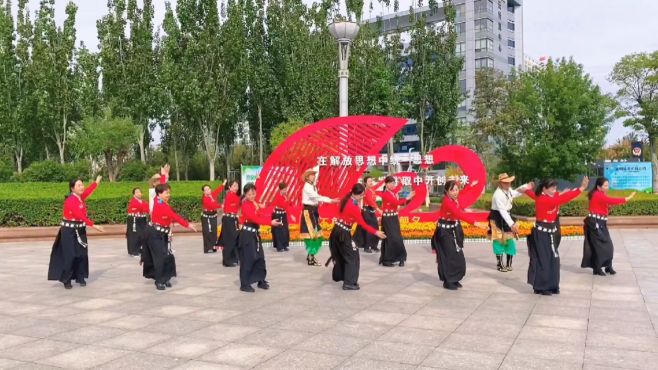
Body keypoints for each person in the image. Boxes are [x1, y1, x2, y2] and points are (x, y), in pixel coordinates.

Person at [525, 177, 588, 295]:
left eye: (555, 186)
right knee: (544, 260)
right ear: (544, 188)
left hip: (550, 232)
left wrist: (527, 188)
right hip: (541, 233)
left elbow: (559, 195)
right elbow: (562, 198)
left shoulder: (549, 196)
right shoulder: (543, 199)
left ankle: (552, 285)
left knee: (554, 259)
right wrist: (581, 189)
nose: (555, 189)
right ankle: (541, 287)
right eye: (552, 187)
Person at [327, 183, 387, 290]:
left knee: (347, 255)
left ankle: (346, 279)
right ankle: (349, 283)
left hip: (338, 231)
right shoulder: (352, 206)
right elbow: (363, 224)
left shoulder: (347, 199)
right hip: (343, 233)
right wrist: (376, 232)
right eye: (362, 195)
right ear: (356, 194)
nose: (363, 197)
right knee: (352, 256)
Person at [48, 176, 105, 289]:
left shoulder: (80, 197)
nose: (82, 187)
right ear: (72, 188)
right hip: (69, 231)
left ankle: (80, 276)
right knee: (70, 255)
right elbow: (79, 215)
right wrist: (94, 225)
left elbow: (88, 191)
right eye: (78, 185)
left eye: (82, 184)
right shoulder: (70, 200)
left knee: (82, 254)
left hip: (80, 229)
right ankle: (66, 279)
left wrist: (96, 182)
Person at [142, 179, 197, 290]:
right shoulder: (160, 204)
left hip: (163, 234)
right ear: (160, 194)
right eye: (166, 193)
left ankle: (165, 278)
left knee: (166, 256)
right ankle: (159, 281)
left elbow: (159, 187)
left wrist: (163, 177)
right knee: (159, 258)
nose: (169, 195)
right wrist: (187, 225)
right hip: (155, 234)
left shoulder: (158, 200)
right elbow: (174, 215)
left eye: (169, 192)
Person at [432, 180, 487, 290]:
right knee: (449, 256)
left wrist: (471, 185)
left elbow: (464, 192)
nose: (455, 192)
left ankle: (455, 278)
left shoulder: (455, 199)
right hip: (444, 233)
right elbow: (459, 214)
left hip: (453, 230)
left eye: (456, 190)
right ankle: (448, 281)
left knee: (458, 256)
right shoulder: (447, 202)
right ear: (447, 191)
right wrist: (475, 223)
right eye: (452, 190)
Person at [582, 177, 635, 276]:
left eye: (607, 185)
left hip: (601, 223)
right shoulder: (598, 194)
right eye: (605, 185)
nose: (607, 187)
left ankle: (608, 266)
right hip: (595, 223)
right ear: (598, 187)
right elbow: (611, 200)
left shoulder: (600, 194)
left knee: (608, 246)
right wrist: (627, 198)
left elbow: (605, 203)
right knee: (601, 247)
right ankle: (597, 268)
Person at [237, 183, 283, 292]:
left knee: (260, 258)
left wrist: (271, 210)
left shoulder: (255, 203)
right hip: (247, 235)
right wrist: (270, 222)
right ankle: (244, 284)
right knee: (248, 259)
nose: (252, 196)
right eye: (249, 194)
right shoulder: (245, 205)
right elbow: (255, 218)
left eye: (253, 193)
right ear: (245, 194)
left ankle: (260, 279)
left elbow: (261, 214)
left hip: (255, 235)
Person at [487, 173, 533, 272]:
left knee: (510, 240)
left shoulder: (508, 190)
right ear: (500, 183)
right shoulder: (497, 195)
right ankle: (500, 264)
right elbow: (502, 211)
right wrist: (512, 224)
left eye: (509, 182)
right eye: (505, 182)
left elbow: (516, 192)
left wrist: (526, 187)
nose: (508, 184)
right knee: (498, 240)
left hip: (507, 215)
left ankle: (508, 263)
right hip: (497, 217)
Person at [300, 169, 338, 266]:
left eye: (314, 175)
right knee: (312, 236)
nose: (314, 176)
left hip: (313, 211)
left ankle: (311, 255)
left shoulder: (313, 187)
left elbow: (316, 199)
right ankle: (311, 257)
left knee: (318, 234)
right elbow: (317, 197)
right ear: (307, 177)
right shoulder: (307, 187)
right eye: (312, 175)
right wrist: (330, 200)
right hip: (308, 212)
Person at [376, 176, 414, 267]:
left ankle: (400, 258)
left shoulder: (392, 192)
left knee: (398, 238)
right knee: (391, 239)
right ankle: (387, 260)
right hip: (388, 219)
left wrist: (401, 183)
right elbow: (396, 203)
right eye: (390, 183)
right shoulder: (385, 194)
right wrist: (407, 197)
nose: (392, 184)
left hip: (394, 218)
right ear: (386, 184)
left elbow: (397, 189)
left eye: (393, 183)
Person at [354, 176, 382, 254]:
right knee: (368, 229)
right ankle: (367, 246)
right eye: (369, 181)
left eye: (371, 181)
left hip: (372, 212)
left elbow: (374, 201)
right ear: (365, 183)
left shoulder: (372, 190)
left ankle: (374, 245)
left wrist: (376, 208)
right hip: (366, 212)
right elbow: (370, 202)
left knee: (376, 227)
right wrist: (378, 209)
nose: (371, 182)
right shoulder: (365, 191)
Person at [217, 180, 241, 267]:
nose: (236, 187)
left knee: (235, 238)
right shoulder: (229, 195)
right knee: (229, 240)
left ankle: (235, 258)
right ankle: (227, 260)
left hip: (233, 219)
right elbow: (232, 206)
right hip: (228, 219)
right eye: (234, 186)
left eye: (237, 185)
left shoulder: (235, 196)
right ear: (230, 187)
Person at [201, 180, 226, 254]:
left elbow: (218, 190)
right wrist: (220, 206)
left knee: (214, 231)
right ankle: (207, 248)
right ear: (203, 192)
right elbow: (211, 205)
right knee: (207, 232)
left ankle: (213, 247)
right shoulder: (205, 199)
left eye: (208, 189)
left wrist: (223, 184)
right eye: (205, 190)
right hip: (206, 216)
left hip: (213, 215)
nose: (208, 190)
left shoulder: (212, 194)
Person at [271, 182, 296, 252]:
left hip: (283, 214)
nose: (286, 190)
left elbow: (287, 204)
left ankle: (285, 245)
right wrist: (291, 215)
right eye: (285, 189)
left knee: (285, 230)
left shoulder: (285, 195)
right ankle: (279, 247)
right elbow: (284, 206)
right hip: (278, 215)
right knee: (278, 231)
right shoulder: (278, 196)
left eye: (286, 189)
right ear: (281, 189)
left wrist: (290, 202)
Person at [126, 187, 149, 257]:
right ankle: (132, 251)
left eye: (140, 192)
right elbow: (140, 208)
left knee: (142, 235)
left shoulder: (144, 201)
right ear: (134, 194)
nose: (139, 193)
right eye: (137, 192)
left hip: (142, 219)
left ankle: (139, 249)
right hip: (134, 219)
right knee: (134, 236)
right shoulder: (132, 201)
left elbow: (147, 209)